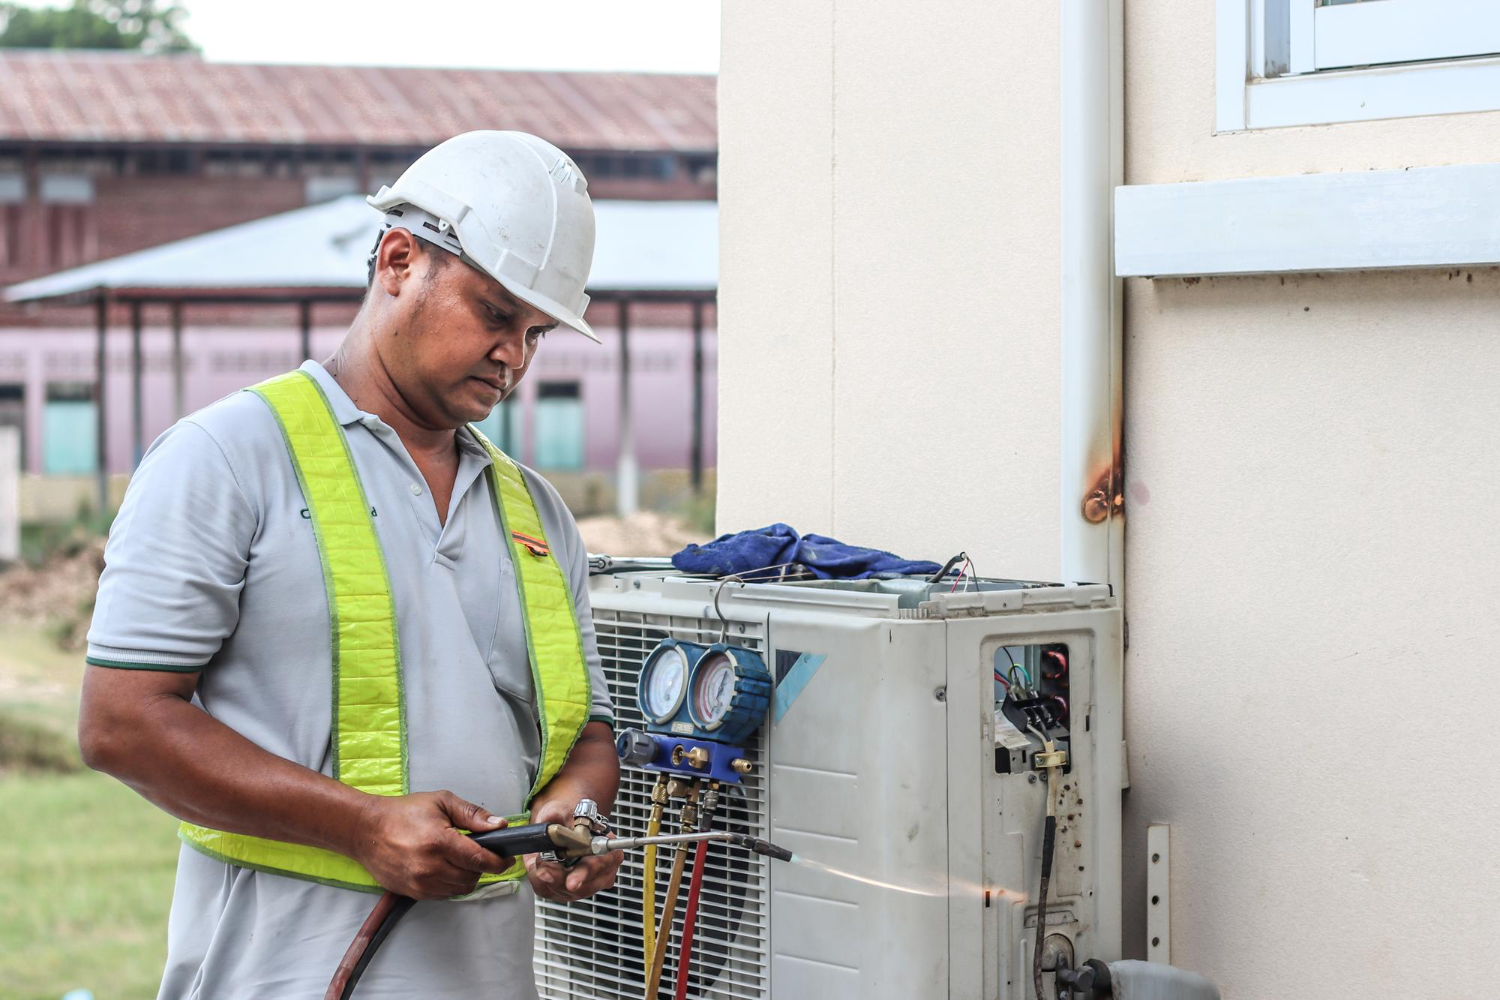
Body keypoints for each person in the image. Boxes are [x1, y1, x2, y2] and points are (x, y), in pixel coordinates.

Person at [76, 131, 623, 999]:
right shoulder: (224, 457)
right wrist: (361, 825)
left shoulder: (536, 512)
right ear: (400, 259)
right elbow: (121, 724)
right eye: (493, 314)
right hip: (281, 973)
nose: (514, 358)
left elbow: (587, 733)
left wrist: (577, 813)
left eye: (535, 332)